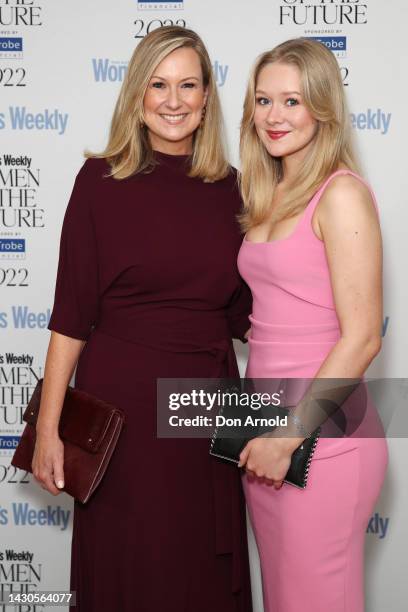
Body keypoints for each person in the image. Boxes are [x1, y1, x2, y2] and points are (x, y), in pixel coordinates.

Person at [32, 26, 252, 612]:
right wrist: (50, 430)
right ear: (137, 95)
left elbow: (248, 314)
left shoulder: (234, 189)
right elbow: (71, 315)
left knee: (201, 570)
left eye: (187, 85)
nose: (173, 100)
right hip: (121, 410)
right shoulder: (100, 181)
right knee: (132, 567)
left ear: (207, 98)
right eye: (158, 85)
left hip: (211, 405)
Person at [237, 38, 388, 612]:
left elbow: (364, 336)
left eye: (292, 101)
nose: (274, 117)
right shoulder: (266, 194)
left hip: (321, 436)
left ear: (322, 106)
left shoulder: (341, 194)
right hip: (263, 429)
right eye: (263, 100)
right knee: (285, 599)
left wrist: (288, 436)